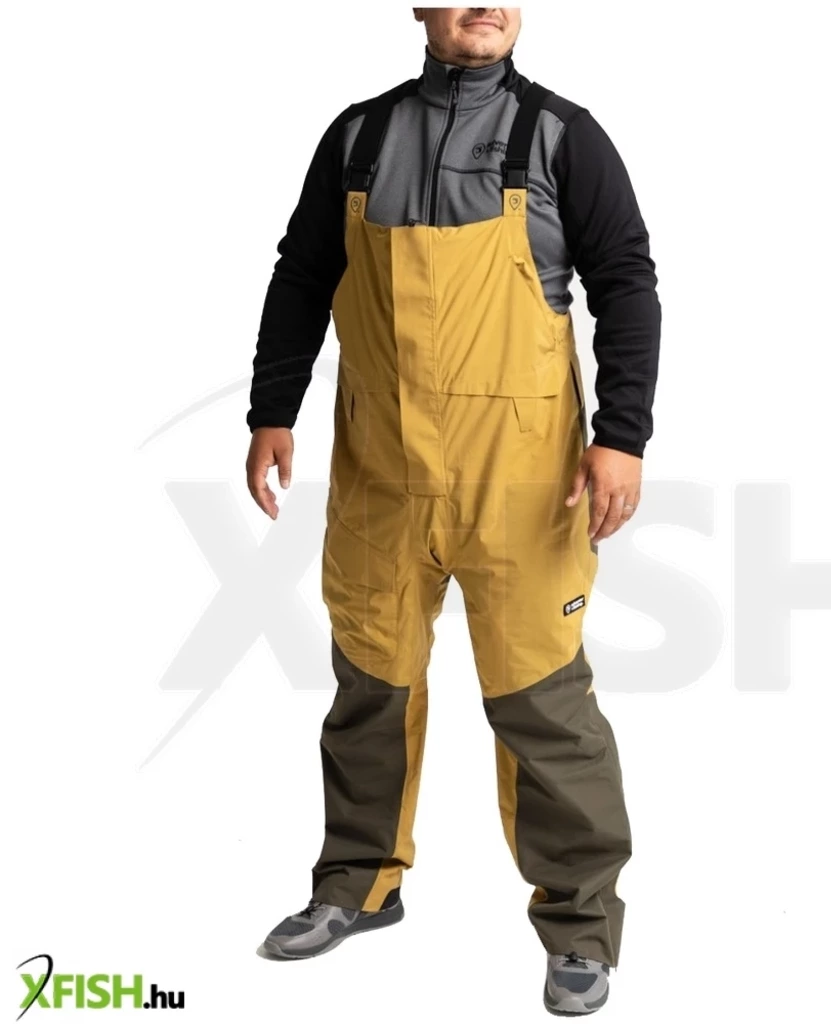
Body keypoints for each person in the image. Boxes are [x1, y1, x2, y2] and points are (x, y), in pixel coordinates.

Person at [245, 7, 660, 1016]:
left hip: (523, 479)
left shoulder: (560, 137)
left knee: (543, 700)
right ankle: (357, 883)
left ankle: (580, 923)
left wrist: (622, 433)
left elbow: (625, 282)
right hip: (381, 473)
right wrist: (271, 411)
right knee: (370, 683)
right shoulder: (358, 137)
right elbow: (303, 274)